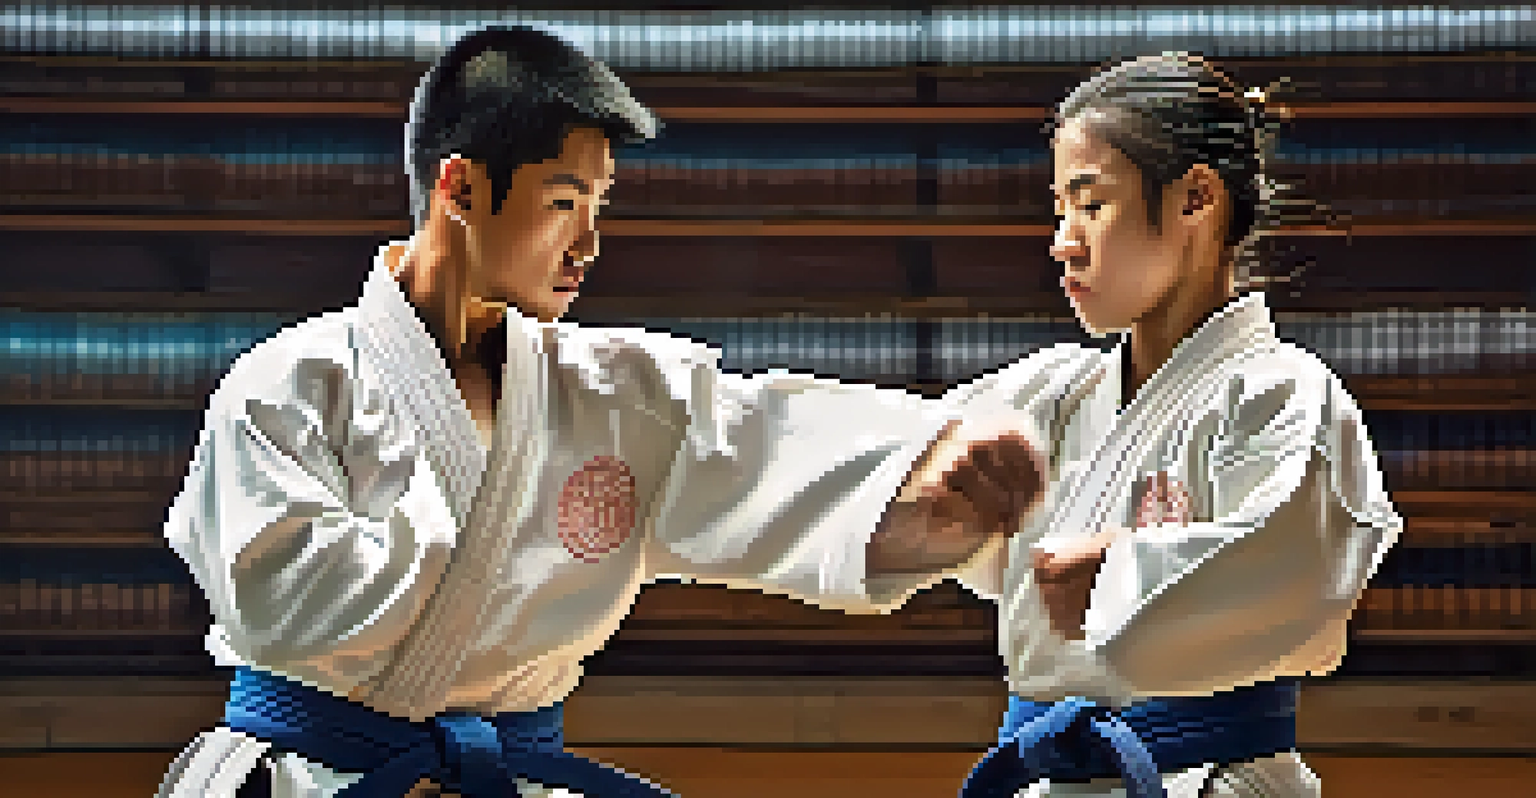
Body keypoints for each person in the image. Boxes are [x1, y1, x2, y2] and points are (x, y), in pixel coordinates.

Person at [154, 25, 1044, 798]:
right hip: (309, 777)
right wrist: (505, 528)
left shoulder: (615, 391)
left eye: (598, 207)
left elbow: (772, 454)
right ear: (459, 189)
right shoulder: (289, 385)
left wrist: (932, 481)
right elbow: (296, 609)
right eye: (562, 203)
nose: (587, 243)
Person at [944, 53, 1403, 798]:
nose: (1064, 241)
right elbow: (879, 464)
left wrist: (1124, 573)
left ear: (1196, 198)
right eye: (1060, 211)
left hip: (1213, 778)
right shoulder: (1053, 395)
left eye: (1092, 205)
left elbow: (1298, 575)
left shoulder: (1280, 393)